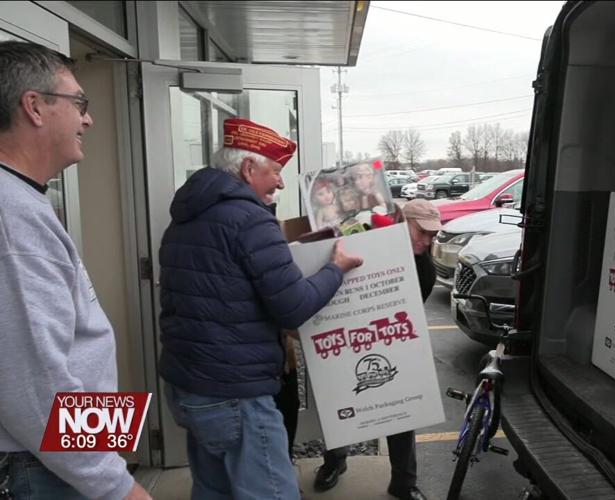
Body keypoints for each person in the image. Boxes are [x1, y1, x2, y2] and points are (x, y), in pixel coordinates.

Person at [158, 118, 363, 499]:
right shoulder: (250, 219)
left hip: (189, 386)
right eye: (276, 172)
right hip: (236, 393)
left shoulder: (186, 216)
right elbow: (293, 307)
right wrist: (336, 269)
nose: (281, 183)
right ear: (248, 169)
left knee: (213, 490)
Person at [0, 41, 151, 500]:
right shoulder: (11, 216)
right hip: (42, 467)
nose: (88, 119)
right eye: (79, 103)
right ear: (34, 107)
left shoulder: (22, 200)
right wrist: (117, 486)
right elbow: (32, 382)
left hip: (59, 454)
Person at [313, 199, 441, 500]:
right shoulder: (366, 242)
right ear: (400, 221)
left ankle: (404, 482)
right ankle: (334, 462)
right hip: (350, 334)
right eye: (420, 231)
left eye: (432, 235)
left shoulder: (425, 268)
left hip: (392, 337)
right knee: (341, 402)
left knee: (401, 409)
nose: (426, 240)